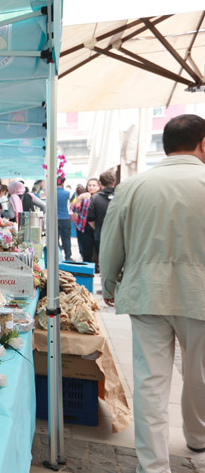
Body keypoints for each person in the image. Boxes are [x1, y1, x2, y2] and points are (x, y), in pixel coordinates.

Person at [100, 114, 205, 472]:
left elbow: (111, 240)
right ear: (203, 143)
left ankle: (153, 467)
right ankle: (198, 437)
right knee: (200, 377)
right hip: (200, 294)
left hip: (146, 292)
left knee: (150, 384)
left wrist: (110, 282)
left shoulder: (132, 186)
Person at [87, 170, 116, 260]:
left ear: (100, 183)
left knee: (103, 260)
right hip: (117, 234)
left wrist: (97, 228)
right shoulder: (121, 196)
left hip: (100, 234)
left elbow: (90, 218)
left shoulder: (95, 198)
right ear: (114, 182)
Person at [71, 178, 99, 262]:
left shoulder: (100, 197)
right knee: (86, 252)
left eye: (94, 185)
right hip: (84, 227)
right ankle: (87, 270)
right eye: (89, 185)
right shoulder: (84, 196)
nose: (91, 187)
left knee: (97, 251)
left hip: (97, 227)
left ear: (98, 186)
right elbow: (75, 209)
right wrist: (80, 198)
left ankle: (96, 268)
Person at [56, 176, 73, 262]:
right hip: (65, 218)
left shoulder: (51, 193)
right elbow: (70, 205)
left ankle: (58, 256)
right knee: (66, 238)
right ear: (63, 183)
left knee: (55, 239)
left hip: (55, 219)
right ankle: (68, 256)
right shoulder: (67, 193)